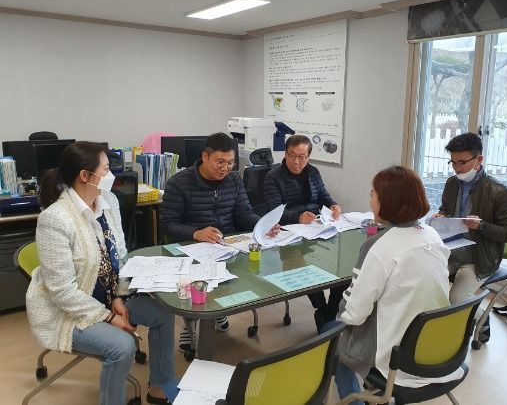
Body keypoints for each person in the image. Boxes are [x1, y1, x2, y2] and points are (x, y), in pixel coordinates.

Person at [26, 142, 176, 405]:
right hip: (69, 312)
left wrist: (119, 297)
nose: (112, 175)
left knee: (163, 314)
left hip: (108, 298)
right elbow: (62, 292)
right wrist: (108, 316)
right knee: (122, 346)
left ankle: (160, 388)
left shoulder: (109, 202)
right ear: (85, 176)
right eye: (106, 169)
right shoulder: (55, 219)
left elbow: (121, 257)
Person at [323, 166, 456, 403]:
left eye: (372, 194)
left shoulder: (378, 246)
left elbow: (354, 315)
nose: (370, 201)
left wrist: (342, 314)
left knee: (329, 332)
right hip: (437, 348)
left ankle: (356, 400)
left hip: (397, 358)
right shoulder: (432, 236)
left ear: (388, 202)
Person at [160, 132, 278, 350]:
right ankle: (190, 323)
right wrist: (196, 233)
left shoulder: (233, 180)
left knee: (248, 270)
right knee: (200, 278)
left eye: (230, 163)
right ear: (205, 157)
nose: (225, 168)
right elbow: (168, 223)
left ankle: (216, 310)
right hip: (193, 247)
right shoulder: (179, 183)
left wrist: (262, 224)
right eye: (220, 162)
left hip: (227, 245)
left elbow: (244, 212)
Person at [432, 132, 507, 343]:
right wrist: (441, 217)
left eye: (462, 162)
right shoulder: (452, 184)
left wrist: (482, 226)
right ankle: (439, 328)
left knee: (457, 298)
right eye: (453, 162)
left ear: (479, 159)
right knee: (425, 282)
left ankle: (482, 320)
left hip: (480, 257)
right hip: (451, 251)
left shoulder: (501, 193)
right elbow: (445, 210)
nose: (457, 168)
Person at [263, 134, 344, 331]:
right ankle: (323, 309)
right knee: (302, 266)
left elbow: (323, 196)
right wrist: (297, 217)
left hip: (316, 229)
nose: (297, 161)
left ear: (308, 157)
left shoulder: (313, 172)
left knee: (342, 270)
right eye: (292, 156)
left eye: (302, 157)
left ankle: (329, 310)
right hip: (288, 234)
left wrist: (333, 205)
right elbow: (274, 211)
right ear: (285, 154)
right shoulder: (273, 177)